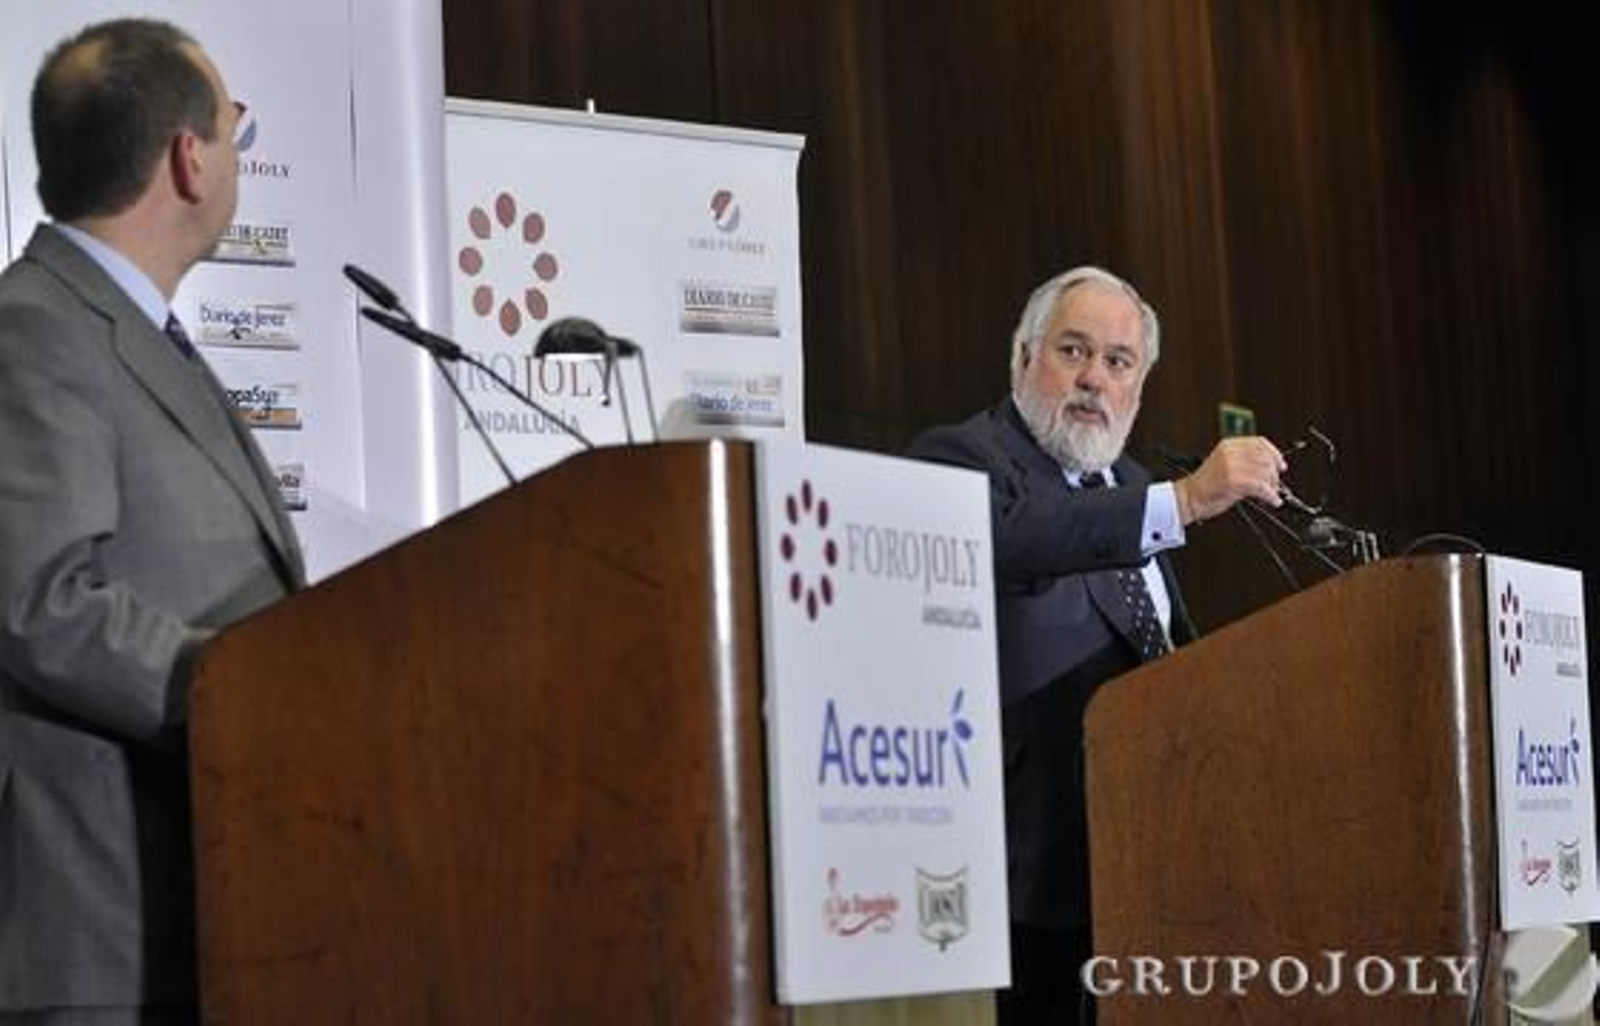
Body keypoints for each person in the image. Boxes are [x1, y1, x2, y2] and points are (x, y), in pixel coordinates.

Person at [0, 19, 304, 1024]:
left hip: (203, 907)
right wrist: (249, 688)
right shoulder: (36, 325)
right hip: (101, 937)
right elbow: (40, 602)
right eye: (233, 128)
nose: (234, 155)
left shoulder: (139, 332)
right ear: (187, 158)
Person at [908, 266, 1284, 1024]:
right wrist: (1186, 499)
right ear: (1024, 357)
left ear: (1138, 388)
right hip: (1032, 868)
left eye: (1118, 362)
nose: (1094, 380)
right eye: (1073, 351)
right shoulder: (963, 459)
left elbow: (1164, 653)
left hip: (1153, 856)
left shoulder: (1132, 484)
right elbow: (1024, 539)